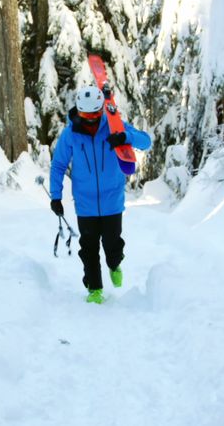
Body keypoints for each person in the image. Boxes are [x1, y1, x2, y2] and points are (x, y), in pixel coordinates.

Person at [49, 85, 152, 304]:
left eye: (95, 113)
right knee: (88, 248)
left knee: (112, 244)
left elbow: (146, 141)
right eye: (86, 114)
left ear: (101, 109)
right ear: (79, 111)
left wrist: (125, 137)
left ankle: (114, 264)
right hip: (85, 203)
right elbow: (58, 165)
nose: (91, 119)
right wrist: (55, 196)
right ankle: (94, 288)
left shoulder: (113, 126)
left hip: (112, 200)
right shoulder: (70, 135)